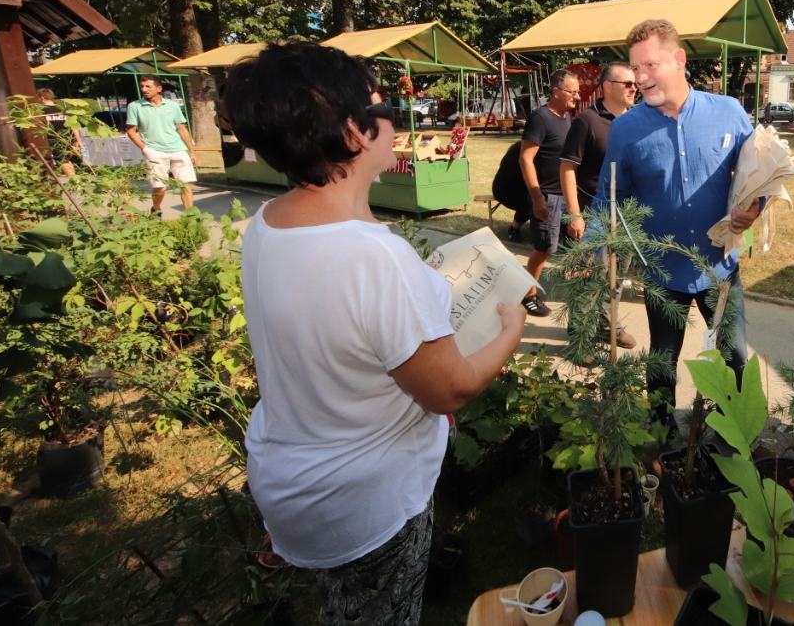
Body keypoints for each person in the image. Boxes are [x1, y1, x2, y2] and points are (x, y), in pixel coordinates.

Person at [224, 42, 526, 625]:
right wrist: (510, 330)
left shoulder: (268, 223)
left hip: (294, 478)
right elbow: (450, 389)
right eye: (383, 106)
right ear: (353, 132)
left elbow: (337, 326)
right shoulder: (376, 258)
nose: (396, 119)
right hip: (363, 499)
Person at [594, 19, 761, 420]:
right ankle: (660, 432)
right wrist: (594, 248)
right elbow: (609, 197)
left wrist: (756, 206)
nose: (640, 78)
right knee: (661, 361)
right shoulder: (626, 128)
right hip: (661, 270)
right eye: (635, 69)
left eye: (650, 65)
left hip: (719, 268)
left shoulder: (728, 112)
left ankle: (736, 434)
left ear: (680, 60)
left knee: (735, 356)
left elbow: (762, 173)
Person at [560, 62, 638, 349]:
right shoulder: (587, 121)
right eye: (627, 83)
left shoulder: (636, 120)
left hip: (627, 214)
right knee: (589, 278)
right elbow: (567, 168)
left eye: (635, 83)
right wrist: (575, 214)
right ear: (606, 86)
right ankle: (579, 339)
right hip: (594, 213)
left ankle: (607, 324)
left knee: (616, 277)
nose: (634, 88)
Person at [518, 68, 581, 318]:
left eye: (577, 92)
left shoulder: (567, 117)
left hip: (567, 195)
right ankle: (528, 295)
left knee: (573, 246)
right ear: (556, 91)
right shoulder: (540, 118)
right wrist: (537, 198)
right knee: (544, 249)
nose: (576, 96)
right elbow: (525, 159)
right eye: (572, 92)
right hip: (548, 196)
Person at [125, 76, 197, 216]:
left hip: (178, 149)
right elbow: (131, 131)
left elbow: (182, 128)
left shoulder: (172, 106)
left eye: (148, 86)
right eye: (142, 86)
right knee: (160, 187)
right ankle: (156, 209)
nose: (144, 89)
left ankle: (190, 217)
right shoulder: (135, 106)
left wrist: (191, 151)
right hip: (155, 151)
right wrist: (145, 149)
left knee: (185, 185)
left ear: (159, 88)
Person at [35, 88, 83, 178]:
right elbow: (74, 125)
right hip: (69, 139)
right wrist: (78, 140)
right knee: (69, 161)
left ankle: (75, 181)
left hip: (55, 141)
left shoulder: (41, 112)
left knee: (63, 161)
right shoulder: (63, 110)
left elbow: (41, 127)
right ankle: (76, 180)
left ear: (41, 98)